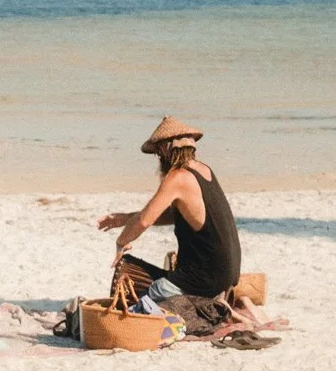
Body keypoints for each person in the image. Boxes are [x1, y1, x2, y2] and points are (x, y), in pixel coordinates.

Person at [98, 116, 241, 303]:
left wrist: (121, 242)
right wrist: (125, 218)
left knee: (148, 297)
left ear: (165, 148)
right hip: (227, 273)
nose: (158, 158)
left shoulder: (177, 177)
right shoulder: (204, 170)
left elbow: (143, 221)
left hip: (206, 278)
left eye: (158, 152)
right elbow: (173, 215)